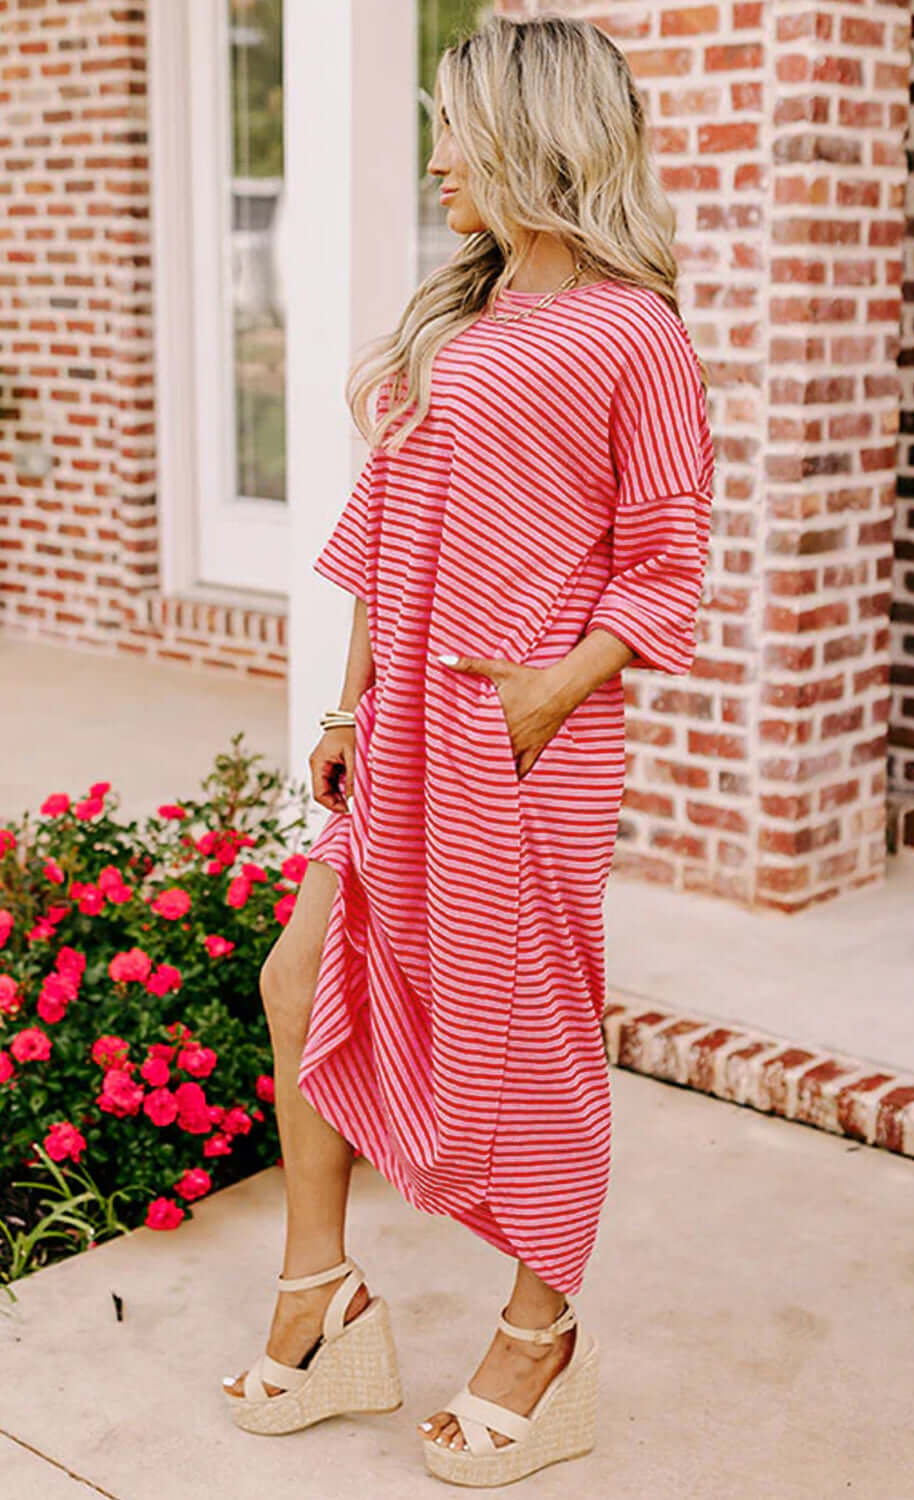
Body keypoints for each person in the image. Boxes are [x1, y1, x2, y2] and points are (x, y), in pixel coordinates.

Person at [221, 12, 714, 1486]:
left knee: (536, 1037)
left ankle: (539, 1331)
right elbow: (392, 537)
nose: (437, 159)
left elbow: (665, 556)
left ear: (536, 141)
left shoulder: (634, 331)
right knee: (303, 973)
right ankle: (324, 1297)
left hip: (522, 741)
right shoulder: (464, 322)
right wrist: (345, 706)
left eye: (459, 130)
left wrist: (550, 695)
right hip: (403, 730)